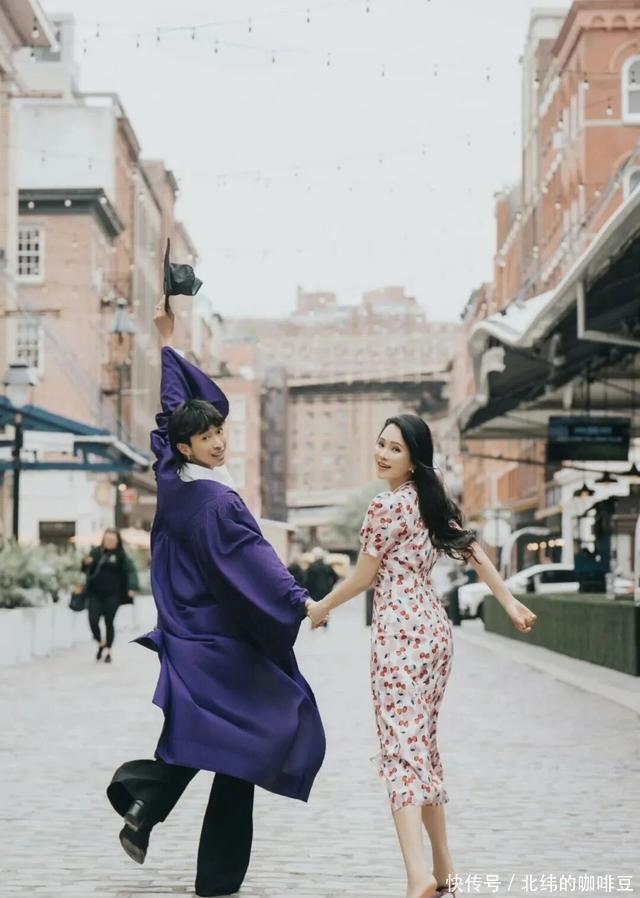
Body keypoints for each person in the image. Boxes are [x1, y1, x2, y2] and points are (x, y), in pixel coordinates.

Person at [106, 302, 325, 898]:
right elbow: (254, 559)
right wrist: (301, 601)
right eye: (205, 437)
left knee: (213, 737)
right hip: (221, 640)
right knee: (253, 741)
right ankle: (211, 873)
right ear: (186, 447)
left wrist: (168, 342)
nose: (218, 442)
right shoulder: (218, 504)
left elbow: (170, 412)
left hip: (190, 634)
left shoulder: (172, 477)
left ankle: (145, 803)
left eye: (219, 432)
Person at [307, 414, 537, 898]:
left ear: (414, 459)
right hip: (434, 633)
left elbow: (364, 577)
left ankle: (419, 875)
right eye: (380, 443)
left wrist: (322, 606)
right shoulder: (430, 502)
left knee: (401, 751)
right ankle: (444, 865)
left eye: (395, 448)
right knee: (422, 746)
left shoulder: (384, 506)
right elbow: (473, 551)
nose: (382, 453)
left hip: (399, 635)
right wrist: (509, 602)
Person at [82, 528, 139, 664]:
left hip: (113, 595)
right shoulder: (96, 552)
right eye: (107, 539)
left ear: (117, 541)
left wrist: (132, 587)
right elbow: (85, 568)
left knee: (109, 622)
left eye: (112, 540)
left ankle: (108, 650)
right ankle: (100, 642)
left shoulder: (121, 555)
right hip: (95, 593)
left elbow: (131, 571)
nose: (109, 542)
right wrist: (85, 563)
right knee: (93, 620)